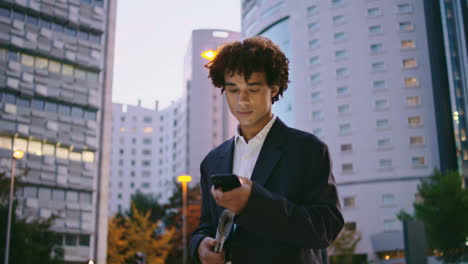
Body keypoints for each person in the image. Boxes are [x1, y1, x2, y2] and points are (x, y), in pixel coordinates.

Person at [189, 36, 344, 264]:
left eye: (252, 88)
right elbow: (206, 226)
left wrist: (253, 203)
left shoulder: (308, 149)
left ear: (274, 88)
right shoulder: (212, 161)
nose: (242, 100)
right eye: (233, 90)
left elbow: (325, 228)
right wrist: (199, 246)